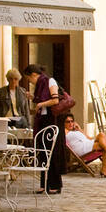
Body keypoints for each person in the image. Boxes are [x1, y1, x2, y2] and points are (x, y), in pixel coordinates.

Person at [22, 63, 65, 194]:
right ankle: (44, 184)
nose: (31, 82)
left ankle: (55, 184)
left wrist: (40, 103)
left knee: (51, 152)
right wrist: (33, 98)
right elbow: (41, 99)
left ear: (34, 75)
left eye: (30, 79)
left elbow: (55, 100)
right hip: (43, 121)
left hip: (52, 121)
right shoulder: (40, 85)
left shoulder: (49, 81)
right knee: (43, 152)